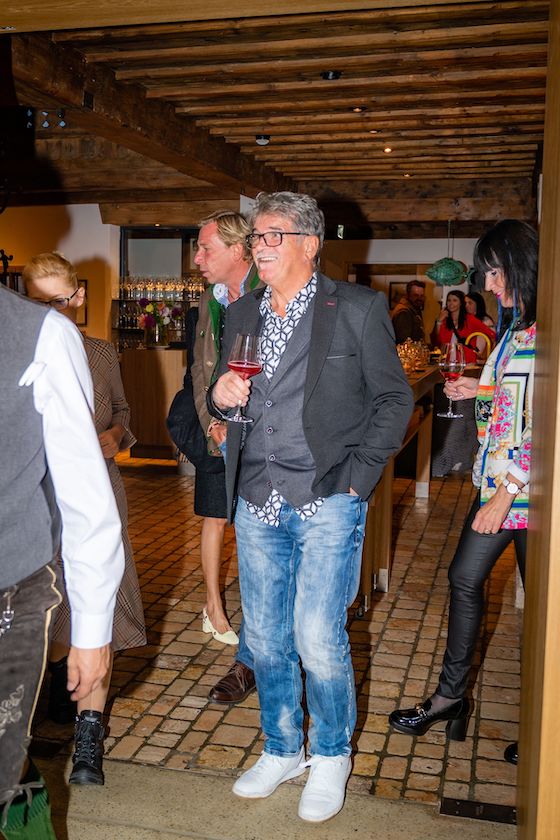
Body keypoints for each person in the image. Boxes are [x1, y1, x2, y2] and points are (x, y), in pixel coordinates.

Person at [208, 191, 413, 822]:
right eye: (257, 237)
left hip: (327, 496)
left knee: (318, 637)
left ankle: (330, 755)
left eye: (273, 235)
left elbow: (394, 400)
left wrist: (356, 480)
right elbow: (226, 397)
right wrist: (220, 396)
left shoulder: (356, 308)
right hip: (256, 497)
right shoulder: (241, 311)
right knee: (266, 637)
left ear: (311, 243)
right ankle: (281, 748)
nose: (260, 247)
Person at [389, 219, 537, 768]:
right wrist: (481, 386)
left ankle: (545, 725)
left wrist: (507, 492)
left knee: (543, 608)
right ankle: (451, 698)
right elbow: (518, 400)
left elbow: (549, 423)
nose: (489, 285)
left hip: (526, 494)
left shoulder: (549, 330)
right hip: (499, 483)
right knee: (464, 579)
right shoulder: (518, 328)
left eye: (495, 273)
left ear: (521, 265)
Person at [0, 283, 124, 838]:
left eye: (63, 297)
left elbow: (86, 489)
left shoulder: (50, 337)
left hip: (13, 582)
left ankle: (87, 735)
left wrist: (93, 632)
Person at [23, 252, 146, 786]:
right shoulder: (16, 351)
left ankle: (89, 739)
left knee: (100, 607)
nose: (52, 311)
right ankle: (47, 703)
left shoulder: (99, 352)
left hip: (97, 494)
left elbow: (122, 413)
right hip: (34, 502)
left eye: (60, 300)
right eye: (38, 302)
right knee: (47, 609)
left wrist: (116, 436)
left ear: (77, 297)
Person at [191, 211, 262, 707]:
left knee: (258, 538)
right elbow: (200, 369)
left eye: (205, 248)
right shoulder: (208, 301)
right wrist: (211, 420)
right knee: (215, 515)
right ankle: (214, 607)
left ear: (239, 250)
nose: (197, 258)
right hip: (217, 431)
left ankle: (256, 655)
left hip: (262, 439)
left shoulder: (268, 291)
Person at [434, 289, 495, 363]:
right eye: (449, 300)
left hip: (467, 362)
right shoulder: (445, 320)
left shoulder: (470, 319)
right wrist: (439, 321)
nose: (451, 303)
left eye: (455, 300)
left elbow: (491, 334)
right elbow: (439, 339)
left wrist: (485, 355)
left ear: (461, 303)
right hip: (448, 361)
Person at [391, 279, 426, 343]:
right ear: (408, 295)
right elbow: (404, 342)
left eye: (421, 295)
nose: (419, 298)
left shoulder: (413, 309)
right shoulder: (403, 312)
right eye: (416, 295)